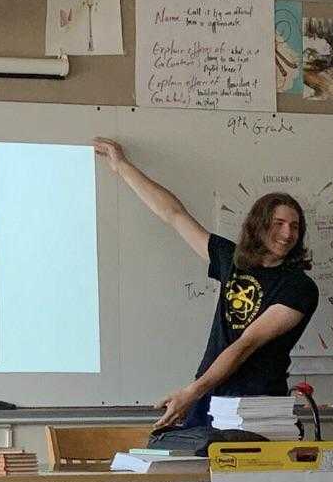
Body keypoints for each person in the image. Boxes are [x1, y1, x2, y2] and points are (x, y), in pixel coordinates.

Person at [93, 138, 319, 429]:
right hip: (209, 393)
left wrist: (192, 391)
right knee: (188, 473)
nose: (287, 234)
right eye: (279, 223)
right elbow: (173, 214)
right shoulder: (232, 260)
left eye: (295, 226)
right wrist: (121, 166)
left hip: (257, 406)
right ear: (259, 225)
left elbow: (246, 344)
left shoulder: (299, 287)